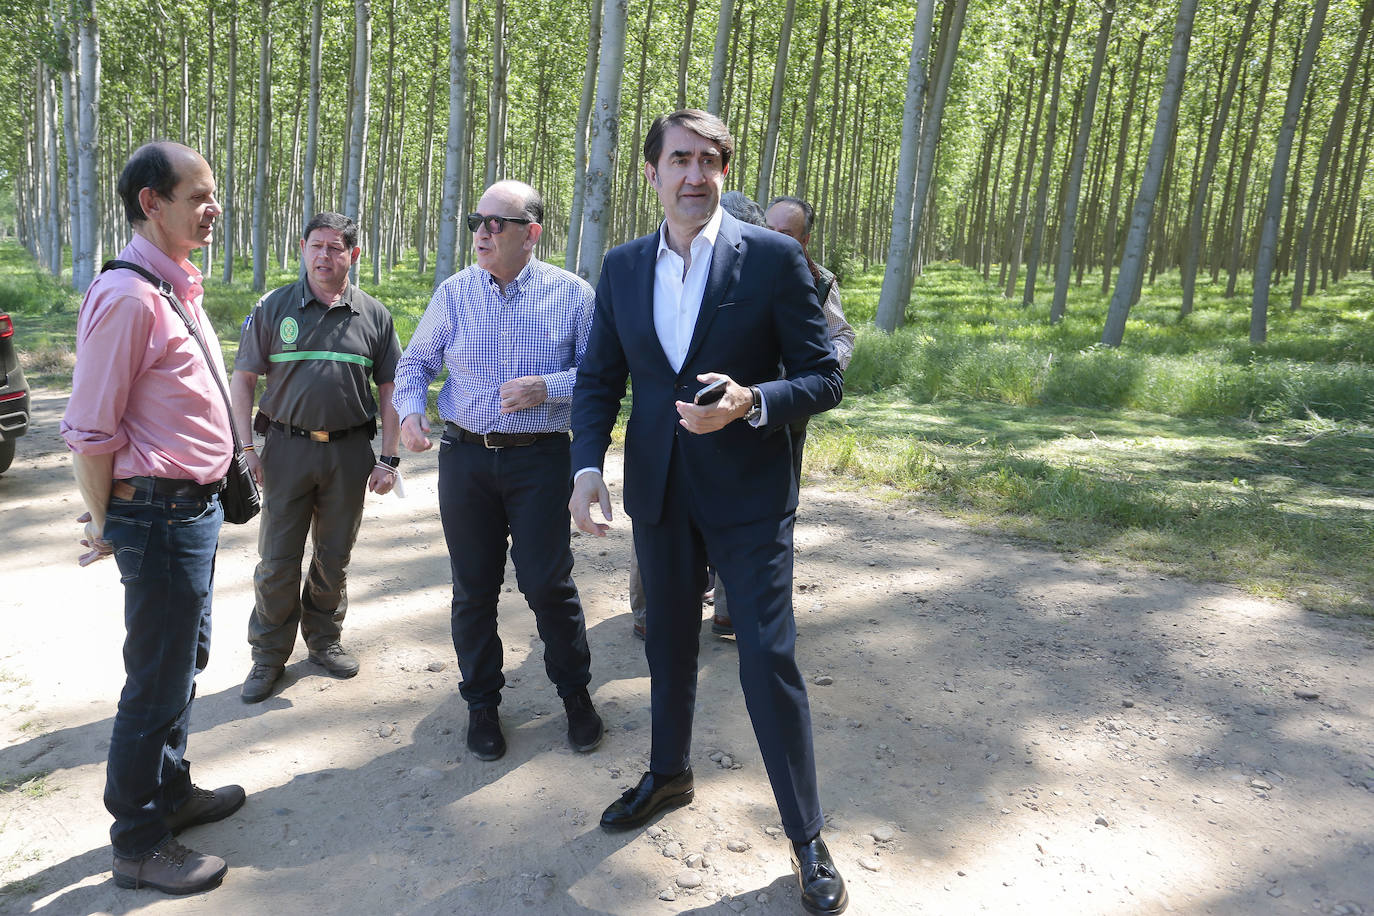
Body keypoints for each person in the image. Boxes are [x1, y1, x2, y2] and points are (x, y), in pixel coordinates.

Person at [569, 110, 849, 916]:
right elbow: (599, 381)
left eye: (710, 161)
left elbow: (825, 379)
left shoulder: (770, 259)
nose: (695, 175)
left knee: (767, 657)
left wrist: (752, 401)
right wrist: (588, 466)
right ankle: (667, 774)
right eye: (680, 160)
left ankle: (805, 836)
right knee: (667, 644)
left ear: (725, 171)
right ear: (650, 172)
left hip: (751, 496)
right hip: (659, 490)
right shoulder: (621, 267)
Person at [60, 142, 244, 896]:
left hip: (188, 512)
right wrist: (107, 521)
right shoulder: (130, 297)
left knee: (184, 661)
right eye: (198, 195)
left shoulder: (173, 286)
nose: (213, 208)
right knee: (157, 678)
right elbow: (89, 429)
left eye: (215, 194)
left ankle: (170, 793)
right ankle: (136, 839)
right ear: (150, 202)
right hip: (159, 516)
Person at [393, 179, 603, 761]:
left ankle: (575, 695)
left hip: (541, 458)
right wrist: (411, 414)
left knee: (547, 585)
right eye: (476, 221)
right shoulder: (455, 293)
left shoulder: (573, 295)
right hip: (466, 459)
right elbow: (415, 365)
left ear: (531, 233)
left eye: (496, 223)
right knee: (474, 589)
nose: (482, 233)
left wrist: (546, 388)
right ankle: (482, 703)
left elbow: (602, 376)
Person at [230, 212, 402, 703]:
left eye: (336, 248)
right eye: (316, 246)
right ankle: (267, 657)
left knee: (334, 557)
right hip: (285, 450)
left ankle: (324, 641)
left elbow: (391, 390)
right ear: (302, 247)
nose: (324, 256)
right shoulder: (273, 307)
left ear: (354, 254)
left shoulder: (373, 315)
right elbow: (243, 381)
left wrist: (388, 458)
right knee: (277, 561)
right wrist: (246, 449)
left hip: (349, 453)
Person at [712, 195, 856, 637]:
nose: (771, 239)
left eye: (785, 234)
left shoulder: (818, 280)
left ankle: (735, 610)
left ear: (805, 240)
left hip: (783, 417)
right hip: (716, 411)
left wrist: (809, 377)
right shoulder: (726, 264)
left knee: (769, 511)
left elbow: (841, 337)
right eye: (766, 228)